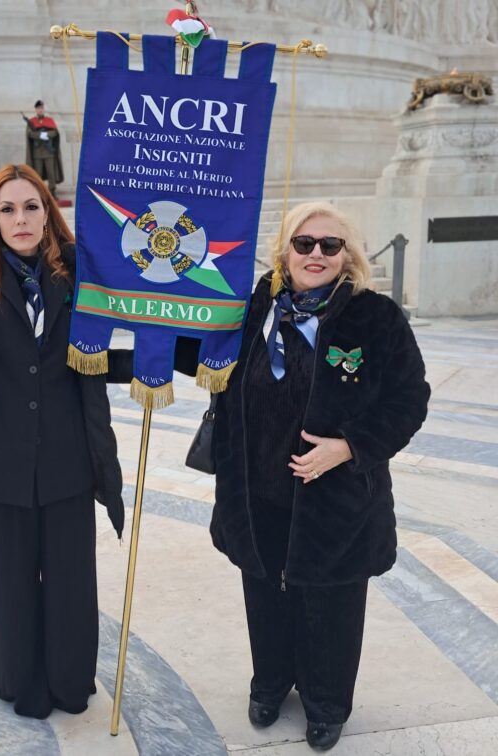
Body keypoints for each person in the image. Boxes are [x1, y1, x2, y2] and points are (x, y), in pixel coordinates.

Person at [209, 202, 430, 750]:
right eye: (304, 243)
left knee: (330, 600)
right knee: (263, 587)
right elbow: (203, 356)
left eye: (330, 245)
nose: (316, 254)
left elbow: (410, 399)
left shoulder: (373, 317)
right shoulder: (250, 307)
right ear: (285, 250)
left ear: (347, 255)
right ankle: (271, 681)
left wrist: (350, 446)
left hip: (336, 496)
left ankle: (327, 699)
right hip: (256, 486)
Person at [0, 164, 129, 720]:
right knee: (10, 584)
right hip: (1, 471)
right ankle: (18, 679)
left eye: (31, 207)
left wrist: (155, 364)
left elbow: (94, 359)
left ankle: (69, 680)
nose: (21, 219)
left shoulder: (78, 278)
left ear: (48, 213)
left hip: (67, 461)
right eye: (8, 209)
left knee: (70, 582)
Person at [25, 100, 63, 198]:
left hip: (49, 153)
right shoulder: (31, 121)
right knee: (38, 174)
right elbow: (29, 133)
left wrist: (47, 134)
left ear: (43, 109)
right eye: (38, 108)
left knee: (51, 173)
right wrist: (40, 135)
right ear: (36, 110)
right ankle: (39, 193)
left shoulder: (49, 120)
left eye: (42, 108)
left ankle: (52, 192)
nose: (40, 110)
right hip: (37, 154)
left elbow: (55, 133)